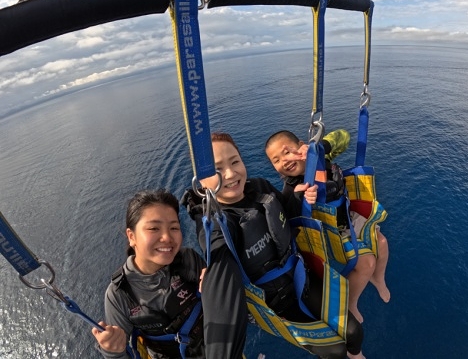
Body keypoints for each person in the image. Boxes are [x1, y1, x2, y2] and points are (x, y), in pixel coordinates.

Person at [182, 132, 365, 359]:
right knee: (335, 351)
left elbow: (286, 216)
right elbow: (221, 270)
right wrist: (213, 279)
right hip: (272, 305)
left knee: (354, 332)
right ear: (200, 182)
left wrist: (298, 198)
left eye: (235, 162)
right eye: (217, 170)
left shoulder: (260, 187)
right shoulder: (215, 225)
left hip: (301, 277)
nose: (230, 173)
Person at [265, 129, 390, 324]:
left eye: (287, 152)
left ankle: (379, 278)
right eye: (276, 160)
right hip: (330, 234)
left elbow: (344, 137)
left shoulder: (321, 158)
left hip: (348, 216)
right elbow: (290, 222)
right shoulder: (291, 190)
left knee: (382, 243)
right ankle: (351, 303)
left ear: (301, 146)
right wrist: (300, 198)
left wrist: (319, 147)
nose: (285, 160)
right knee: (367, 263)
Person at [91, 189, 207, 359]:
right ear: (131, 236)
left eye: (174, 227)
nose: (167, 237)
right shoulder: (120, 294)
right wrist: (112, 351)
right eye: (154, 228)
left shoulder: (188, 259)